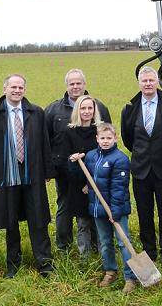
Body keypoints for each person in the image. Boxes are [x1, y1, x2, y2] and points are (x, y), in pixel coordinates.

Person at [0, 74, 54, 278]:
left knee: (38, 219)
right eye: (13, 87)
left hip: (33, 173)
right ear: (4, 88)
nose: (17, 91)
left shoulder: (36, 112)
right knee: (10, 221)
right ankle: (13, 264)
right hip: (6, 176)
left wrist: (47, 171)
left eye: (20, 87)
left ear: (25, 90)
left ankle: (45, 264)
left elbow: (44, 143)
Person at [44, 68, 110, 251]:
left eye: (78, 83)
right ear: (66, 85)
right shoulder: (53, 109)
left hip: (93, 171)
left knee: (94, 207)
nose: (75, 87)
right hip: (64, 170)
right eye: (71, 83)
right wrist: (48, 168)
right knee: (64, 206)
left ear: (84, 84)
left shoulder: (99, 107)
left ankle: (98, 245)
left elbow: (108, 135)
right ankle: (63, 245)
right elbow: (45, 141)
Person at [120, 66, 162, 263]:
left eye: (151, 80)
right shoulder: (129, 108)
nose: (147, 84)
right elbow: (128, 139)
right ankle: (149, 250)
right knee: (144, 214)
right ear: (139, 83)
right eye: (144, 81)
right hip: (140, 171)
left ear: (157, 83)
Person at [70, 123, 136, 293]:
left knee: (123, 242)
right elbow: (86, 176)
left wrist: (115, 212)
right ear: (97, 139)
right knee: (105, 242)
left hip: (117, 209)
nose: (105, 141)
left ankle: (130, 277)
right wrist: (75, 162)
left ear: (115, 139)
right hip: (98, 208)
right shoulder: (91, 156)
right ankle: (110, 271)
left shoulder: (120, 159)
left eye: (109, 138)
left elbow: (119, 189)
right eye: (102, 138)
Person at [54, 94, 103, 258]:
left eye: (90, 108)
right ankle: (85, 258)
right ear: (77, 110)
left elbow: (105, 160)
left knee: (98, 222)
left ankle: (102, 254)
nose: (87, 111)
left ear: (94, 110)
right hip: (78, 187)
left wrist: (92, 184)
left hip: (97, 185)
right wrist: (81, 181)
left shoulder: (100, 131)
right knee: (83, 223)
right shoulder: (69, 132)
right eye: (83, 108)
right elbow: (66, 161)